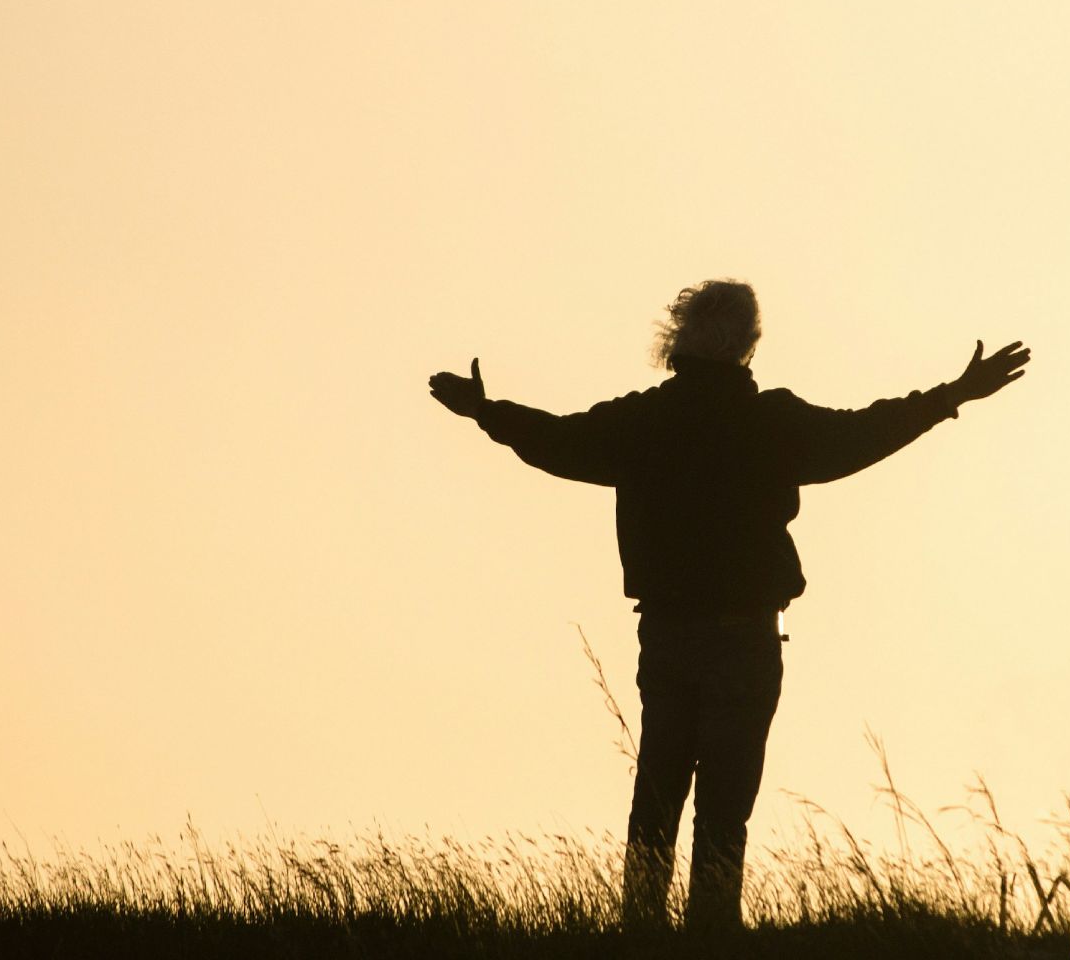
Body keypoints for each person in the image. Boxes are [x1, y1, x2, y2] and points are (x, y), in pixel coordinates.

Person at [428, 279, 1029, 931]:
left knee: (656, 798)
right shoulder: (770, 422)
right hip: (745, 639)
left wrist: (486, 412)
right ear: (749, 343)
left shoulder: (645, 422)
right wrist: (950, 397)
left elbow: (557, 440)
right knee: (724, 808)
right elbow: (864, 433)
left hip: (668, 637)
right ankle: (711, 934)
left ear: (678, 343)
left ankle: (642, 932)